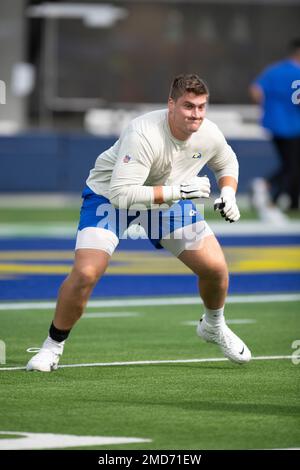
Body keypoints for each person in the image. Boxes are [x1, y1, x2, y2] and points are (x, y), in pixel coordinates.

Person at [26, 74, 251, 372]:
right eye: (188, 106)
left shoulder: (208, 132)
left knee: (216, 269)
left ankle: (213, 325)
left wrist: (228, 194)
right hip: (111, 196)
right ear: (171, 105)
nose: (195, 114)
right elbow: (122, 194)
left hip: (166, 199)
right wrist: (179, 191)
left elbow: (226, 161)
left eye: (200, 106)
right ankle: (51, 347)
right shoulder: (144, 133)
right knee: (86, 272)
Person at [250, 38, 300, 211]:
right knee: (292, 166)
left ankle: (292, 202)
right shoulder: (297, 73)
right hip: (293, 126)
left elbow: (256, 90)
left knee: (291, 164)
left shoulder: (275, 70)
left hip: (273, 123)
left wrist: (270, 107)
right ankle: (265, 186)